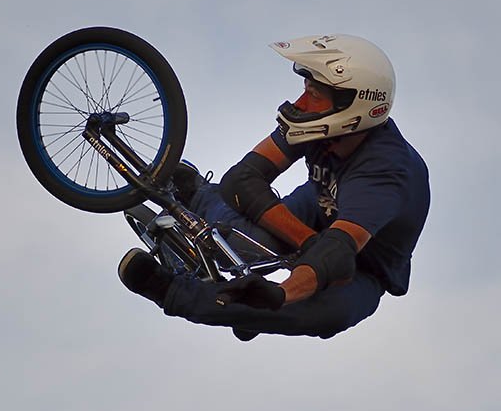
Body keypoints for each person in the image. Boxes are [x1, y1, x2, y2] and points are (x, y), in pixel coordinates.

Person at [118, 33, 430, 341]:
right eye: (305, 89)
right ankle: (195, 192)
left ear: (352, 108)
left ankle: (167, 290)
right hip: (318, 209)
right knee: (242, 246)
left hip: (364, 266)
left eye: (315, 96)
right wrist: (308, 243)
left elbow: (337, 254)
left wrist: (279, 295)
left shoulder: (385, 172)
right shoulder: (317, 123)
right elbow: (243, 179)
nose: (300, 103)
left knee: (325, 315)